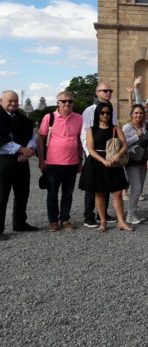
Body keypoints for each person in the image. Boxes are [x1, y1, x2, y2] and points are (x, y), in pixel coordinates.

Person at [79, 102, 133, 232]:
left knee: (117, 193)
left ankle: (121, 221)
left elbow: (124, 145)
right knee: (99, 193)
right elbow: (90, 150)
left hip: (114, 162)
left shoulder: (116, 128)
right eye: (102, 112)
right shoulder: (92, 130)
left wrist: (117, 156)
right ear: (97, 114)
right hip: (97, 162)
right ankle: (102, 221)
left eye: (108, 113)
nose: (105, 115)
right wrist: (103, 160)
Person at [37, 91, 83, 232]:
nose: (67, 103)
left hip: (72, 162)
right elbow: (41, 139)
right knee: (52, 194)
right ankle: (53, 221)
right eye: (64, 101)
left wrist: (80, 160)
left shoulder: (79, 118)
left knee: (68, 193)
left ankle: (65, 219)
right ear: (58, 103)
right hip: (53, 163)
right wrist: (41, 160)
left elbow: (79, 140)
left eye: (70, 101)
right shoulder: (49, 117)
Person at [0, 90, 37, 240]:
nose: (14, 104)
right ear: (1, 101)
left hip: (22, 160)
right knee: (2, 195)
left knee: (22, 192)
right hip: (3, 160)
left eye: (15, 101)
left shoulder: (22, 118)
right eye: (10, 101)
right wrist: (21, 149)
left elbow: (32, 137)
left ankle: (20, 222)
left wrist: (29, 150)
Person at [80, 82, 118, 227]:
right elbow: (85, 132)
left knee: (105, 184)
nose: (108, 93)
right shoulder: (90, 110)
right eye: (105, 91)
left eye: (110, 90)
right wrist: (89, 152)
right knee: (92, 185)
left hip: (108, 152)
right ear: (97, 92)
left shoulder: (110, 110)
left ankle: (102, 213)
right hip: (94, 153)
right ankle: (88, 215)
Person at [122, 104, 148, 224]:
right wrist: (136, 136)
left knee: (138, 189)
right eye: (136, 113)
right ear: (132, 114)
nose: (139, 115)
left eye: (141, 113)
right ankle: (130, 215)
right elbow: (123, 143)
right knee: (136, 187)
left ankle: (133, 213)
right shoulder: (127, 127)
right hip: (132, 160)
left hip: (142, 159)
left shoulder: (145, 126)